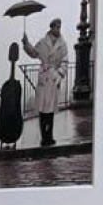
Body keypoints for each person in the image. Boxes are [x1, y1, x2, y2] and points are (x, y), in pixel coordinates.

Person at [23, 17, 68, 145]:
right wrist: (26, 43)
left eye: (60, 27)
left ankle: (50, 136)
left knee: (51, 110)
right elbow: (34, 53)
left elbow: (65, 61)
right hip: (44, 77)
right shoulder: (43, 42)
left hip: (53, 78)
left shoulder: (63, 44)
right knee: (43, 110)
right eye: (57, 27)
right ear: (51, 28)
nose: (58, 29)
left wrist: (59, 74)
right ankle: (44, 137)